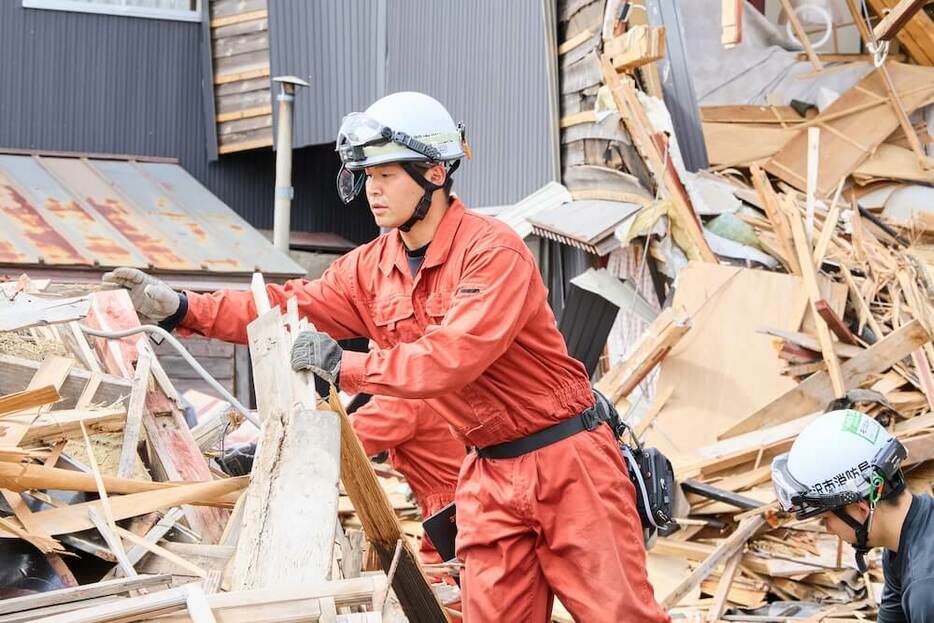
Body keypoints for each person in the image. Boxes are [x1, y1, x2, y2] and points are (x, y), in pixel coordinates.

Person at [103, 91, 667, 622]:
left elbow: (450, 357)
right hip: (487, 473)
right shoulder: (370, 267)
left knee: (618, 614)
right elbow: (285, 308)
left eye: (387, 175)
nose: (373, 189)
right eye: (367, 176)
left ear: (436, 173)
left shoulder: (493, 251)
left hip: (567, 463)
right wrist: (182, 308)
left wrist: (343, 367)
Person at [772, 409, 933, 622]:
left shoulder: (925, 589)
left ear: (861, 509)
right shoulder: (901, 546)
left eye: (826, 518)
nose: (828, 529)